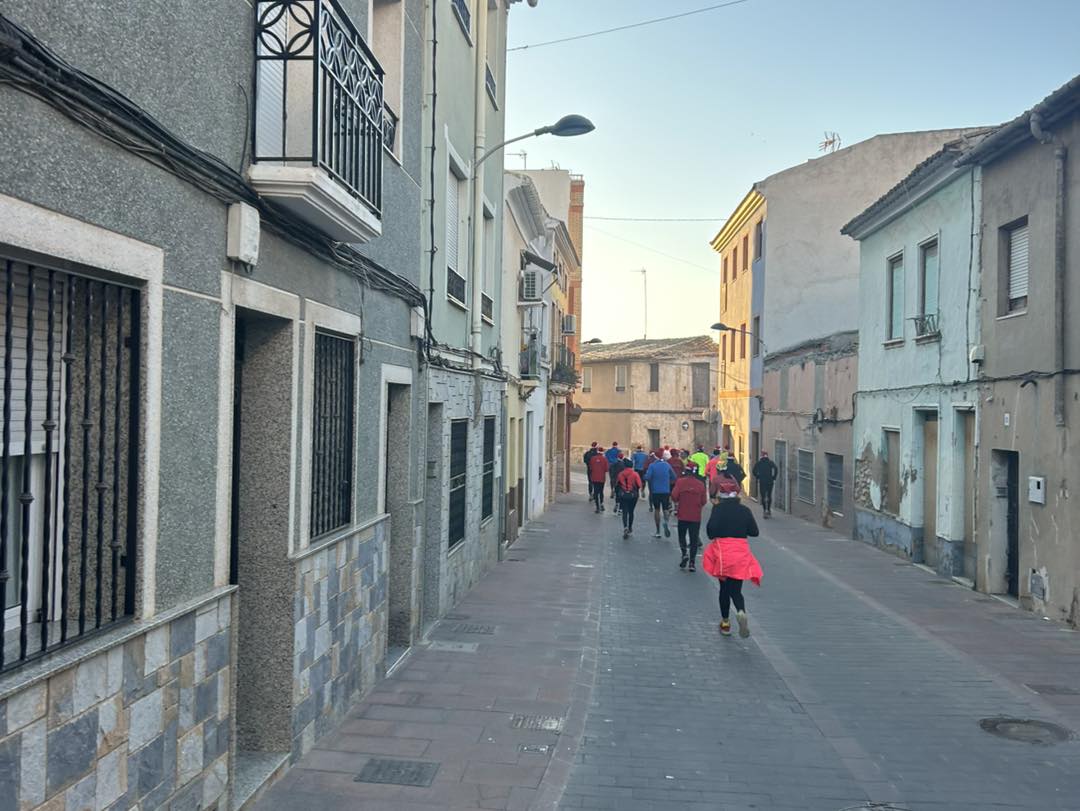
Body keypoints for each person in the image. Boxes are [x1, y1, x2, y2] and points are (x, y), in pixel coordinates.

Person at [702, 477, 762, 638]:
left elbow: (710, 532)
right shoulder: (745, 510)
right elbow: (754, 532)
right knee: (736, 590)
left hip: (723, 554)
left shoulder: (718, 510)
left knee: (724, 590)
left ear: (721, 496)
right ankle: (741, 612)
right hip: (740, 553)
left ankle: (726, 623)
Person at [670, 461, 708, 571]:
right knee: (694, 538)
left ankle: (684, 554)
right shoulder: (700, 485)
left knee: (682, 536)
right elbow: (704, 501)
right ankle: (692, 563)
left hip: (683, 515)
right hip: (695, 516)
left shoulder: (680, 482)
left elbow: (674, 496)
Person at [643, 453, 676, 538]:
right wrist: (668, 481)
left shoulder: (652, 466)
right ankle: (666, 522)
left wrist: (645, 477)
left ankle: (658, 531)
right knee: (665, 509)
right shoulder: (667, 465)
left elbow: (648, 477)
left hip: (655, 491)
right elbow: (674, 476)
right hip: (665, 490)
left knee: (657, 510)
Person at [615, 462, 643, 538]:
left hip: (623, 495)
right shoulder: (635, 474)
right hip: (633, 495)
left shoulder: (620, 474)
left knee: (624, 511)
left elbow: (617, 485)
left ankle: (625, 527)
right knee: (631, 512)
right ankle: (630, 527)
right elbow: (639, 485)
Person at [752, 451, 779, 517]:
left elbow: (754, 471)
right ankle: (769, 509)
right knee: (769, 495)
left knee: (763, 496)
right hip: (770, 481)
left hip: (762, 481)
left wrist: (758, 476)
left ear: (761, 455)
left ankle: (765, 511)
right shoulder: (770, 462)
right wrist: (774, 477)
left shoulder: (759, 463)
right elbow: (776, 468)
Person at [587, 447, 609, 513]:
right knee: (601, 491)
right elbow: (607, 469)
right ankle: (601, 503)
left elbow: (590, 467)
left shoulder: (592, 459)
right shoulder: (605, 459)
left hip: (594, 477)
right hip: (602, 478)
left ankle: (597, 507)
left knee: (596, 492)